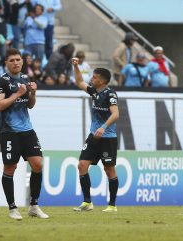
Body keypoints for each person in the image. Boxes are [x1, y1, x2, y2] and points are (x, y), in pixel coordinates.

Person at [0, 48, 48, 219]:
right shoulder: (1, 81)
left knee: (38, 165)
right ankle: (12, 208)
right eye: (12, 60)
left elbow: (30, 105)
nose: (16, 63)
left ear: (22, 62)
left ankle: (34, 206)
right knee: (10, 168)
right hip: (9, 132)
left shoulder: (25, 78)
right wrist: (17, 94)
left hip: (27, 130)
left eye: (18, 60)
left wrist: (33, 93)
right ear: (6, 63)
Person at [71, 57, 120, 212]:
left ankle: (112, 206)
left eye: (94, 77)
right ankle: (87, 203)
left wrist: (103, 127)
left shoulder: (110, 94)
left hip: (107, 138)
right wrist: (76, 66)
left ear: (102, 81)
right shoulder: (94, 91)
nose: (91, 79)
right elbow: (79, 82)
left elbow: (116, 114)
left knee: (109, 170)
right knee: (81, 165)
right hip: (93, 137)